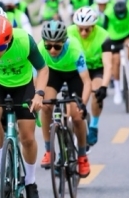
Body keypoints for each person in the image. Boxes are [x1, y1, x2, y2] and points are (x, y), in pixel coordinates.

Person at [0, 14, 49, 198]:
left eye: (0, 47)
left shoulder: (24, 41)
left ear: (9, 39)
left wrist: (39, 94)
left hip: (22, 86)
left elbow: (42, 69)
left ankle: (30, 181)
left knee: (27, 137)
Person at [38, 20, 92, 177]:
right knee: (46, 106)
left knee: (76, 117)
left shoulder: (74, 49)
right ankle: (49, 150)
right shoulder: (40, 49)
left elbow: (87, 82)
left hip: (74, 75)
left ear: (64, 42)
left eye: (57, 46)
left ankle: (82, 156)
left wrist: (83, 105)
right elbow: (36, 80)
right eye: (48, 46)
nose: (52, 50)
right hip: (53, 73)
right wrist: (36, 98)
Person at [68, 7, 112, 146]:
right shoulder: (69, 33)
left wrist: (104, 86)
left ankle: (94, 126)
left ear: (94, 26)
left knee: (96, 92)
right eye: (80, 29)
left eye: (87, 29)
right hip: (77, 69)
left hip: (96, 69)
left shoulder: (103, 36)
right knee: (71, 103)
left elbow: (108, 65)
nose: (83, 33)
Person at [101, 0, 129, 105]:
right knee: (115, 61)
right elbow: (103, 29)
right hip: (113, 38)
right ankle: (117, 90)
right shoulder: (108, 13)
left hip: (127, 34)